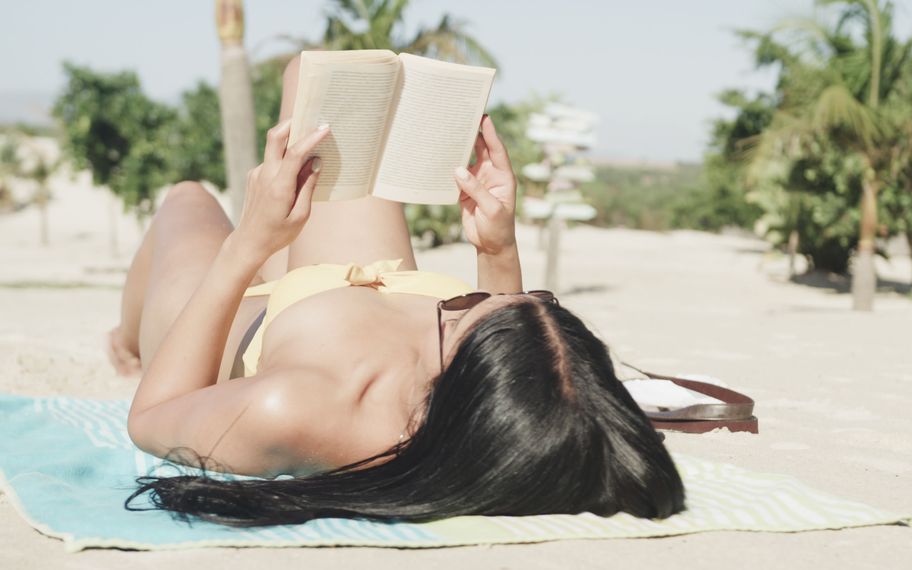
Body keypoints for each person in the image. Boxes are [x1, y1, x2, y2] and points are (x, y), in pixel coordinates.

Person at [110, 58, 684, 527]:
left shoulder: (301, 409)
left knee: (188, 199)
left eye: (462, 314)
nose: (477, 298)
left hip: (231, 318)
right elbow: (516, 370)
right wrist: (496, 251)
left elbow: (153, 416)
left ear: (464, 388)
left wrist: (247, 246)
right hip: (356, 280)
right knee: (322, 83)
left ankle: (124, 337)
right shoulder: (517, 404)